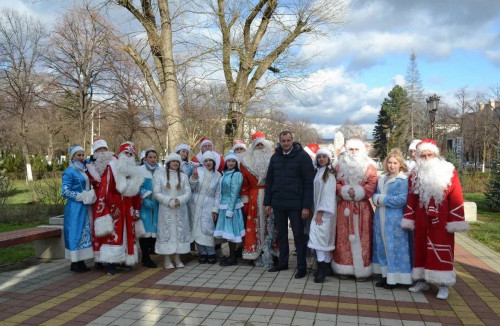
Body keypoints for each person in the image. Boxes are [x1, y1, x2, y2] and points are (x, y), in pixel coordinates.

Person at [402, 139, 469, 300]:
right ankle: (422, 280)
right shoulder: (415, 174)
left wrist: (455, 219)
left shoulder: (448, 171)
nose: (426, 159)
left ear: (436, 154)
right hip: (421, 217)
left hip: (441, 218)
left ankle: (444, 285)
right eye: (422, 156)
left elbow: (456, 196)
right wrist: (409, 217)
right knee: (421, 249)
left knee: (441, 249)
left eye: (429, 155)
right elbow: (411, 197)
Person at [264, 131, 315, 279]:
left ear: (293, 140)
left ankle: (301, 267)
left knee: (298, 236)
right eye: (283, 141)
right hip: (278, 203)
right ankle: (283, 262)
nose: (286, 143)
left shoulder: (302, 157)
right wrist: (268, 202)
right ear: (279, 142)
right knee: (282, 235)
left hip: (296, 204)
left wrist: (306, 206)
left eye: (288, 140)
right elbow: (270, 180)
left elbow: (308, 183)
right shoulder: (275, 157)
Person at [93, 142, 145, 275]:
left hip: (128, 207)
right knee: (114, 234)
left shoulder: (134, 170)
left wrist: (136, 208)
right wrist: (111, 205)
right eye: (126, 153)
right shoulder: (112, 167)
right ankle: (111, 262)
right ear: (120, 154)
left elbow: (136, 193)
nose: (128, 156)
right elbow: (105, 189)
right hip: (115, 206)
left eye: (131, 154)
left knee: (128, 233)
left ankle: (124, 260)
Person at [333, 138, 378, 281]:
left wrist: (360, 191)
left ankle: (362, 270)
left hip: (362, 207)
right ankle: (344, 268)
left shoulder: (369, 166)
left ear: (362, 151)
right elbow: (334, 183)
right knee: (343, 237)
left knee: (363, 237)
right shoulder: (339, 166)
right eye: (350, 149)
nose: (353, 153)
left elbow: (373, 183)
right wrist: (344, 190)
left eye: (356, 150)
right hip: (344, 208)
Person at [372, 148, 412, 289]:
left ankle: (396, 277)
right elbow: (374, 195)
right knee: (382, 246)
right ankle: (385, 275)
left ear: (400, 164)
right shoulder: (382, 178)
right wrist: (376, 198)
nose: (392, 166)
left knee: (394, 247)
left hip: (394, 219)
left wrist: (381, 199)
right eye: (389, 162)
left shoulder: (402, 180)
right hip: (380, 218)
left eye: (395, 163)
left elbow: (401, 199)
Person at [241, 132, 278, 267]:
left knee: (271, 224)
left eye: (262, 145)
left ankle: (272, 252)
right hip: (254, 196)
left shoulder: (273, 159)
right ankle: (255, 252)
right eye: (258, 146)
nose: (260, 148)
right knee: (255, 224)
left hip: (271, 195)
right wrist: (245, 200)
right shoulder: (245, 163)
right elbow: (244, 184)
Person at [154, 153, 192, 269]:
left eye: (177, 162)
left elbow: (188, 192)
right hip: (166, 210)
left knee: (179, 232)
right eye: (173, 161)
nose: (175, 163)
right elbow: (157, 193)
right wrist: (168, 200)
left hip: (180, 209)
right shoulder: (160, 176)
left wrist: (179, 200)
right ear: (168, 163)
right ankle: (166, 259)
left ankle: (177, 258)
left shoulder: (183, 176)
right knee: (167, 232)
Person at [61, 145, 95, 272]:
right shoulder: (69, 172)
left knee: (83, 232)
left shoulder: (83, 169)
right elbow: (64, 192)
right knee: (75, 232)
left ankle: (81, 261)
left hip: (85, 206)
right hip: (75, 207)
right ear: (73, 156)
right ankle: (74, 262)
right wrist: (81, 196)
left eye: (82, 155)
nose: (81, 157)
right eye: (78, 155)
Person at [307, 148, 336, 283]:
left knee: (319, 237)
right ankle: (326, 266)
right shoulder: (319, 172)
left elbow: (328, 194)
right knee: (324, 238)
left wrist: (320, 211)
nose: (321, 159)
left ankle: (322, 268)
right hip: (319, 209)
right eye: (319, 157)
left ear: (329, 159)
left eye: (324, 157)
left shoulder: (329, 174)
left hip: (324, 211)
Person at [214, 150, 246, 266]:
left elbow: (234, 193)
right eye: (229, 161)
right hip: (223, 206)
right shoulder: (224, 174)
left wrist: (230, 210)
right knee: (227, 232)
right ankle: (230, 255)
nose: (231, 163)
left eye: (233, 161)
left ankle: (233, 257)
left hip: (231, 207)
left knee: (231, 232)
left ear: (236, 163)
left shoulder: (237, 175)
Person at [189, 151, 221, 264]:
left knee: (207, 229)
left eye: (210, 161)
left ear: (213, 162)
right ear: (203, 162)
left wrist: (215, 209)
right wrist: (193, 178)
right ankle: (202, 253)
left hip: (209, 204)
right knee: (196, 228)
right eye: (206, 161)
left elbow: (218, 195)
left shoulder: (218, 175)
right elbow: (191, 187)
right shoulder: (198, 171)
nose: (208, 163)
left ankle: (211, 253)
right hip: (195, 203)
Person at [138, 149, 160, 268]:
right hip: (144, 205)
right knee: (144, 232)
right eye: (150, 157)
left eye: (154, 157)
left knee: (153, 231)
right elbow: (137, 186)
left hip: (156, 205)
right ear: (145, 159)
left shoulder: (160, 170)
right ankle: (145, 257)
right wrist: (144, 197)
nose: (152, 159)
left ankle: (149, 253)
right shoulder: (140, 170)